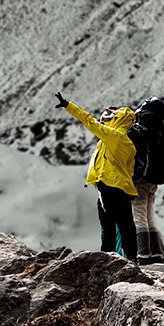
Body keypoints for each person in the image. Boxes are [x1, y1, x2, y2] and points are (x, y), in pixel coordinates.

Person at [55, 91, 138, 261]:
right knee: (126, 225)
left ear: (117, 119)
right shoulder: (128, 143)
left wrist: (68, 106)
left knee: (107, 226)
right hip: (123, 189)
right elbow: (129, 170)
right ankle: (132, 259)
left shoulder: (111, 136)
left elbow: (89, 121)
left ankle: (106, 260)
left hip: (107, 185)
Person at [128, 96, 164, 265]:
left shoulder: (140, 131)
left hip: (141, 180)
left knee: (139, 216)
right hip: (154, 181)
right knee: (150, 216)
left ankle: (143, 255)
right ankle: (157, 253)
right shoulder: (162, 129)